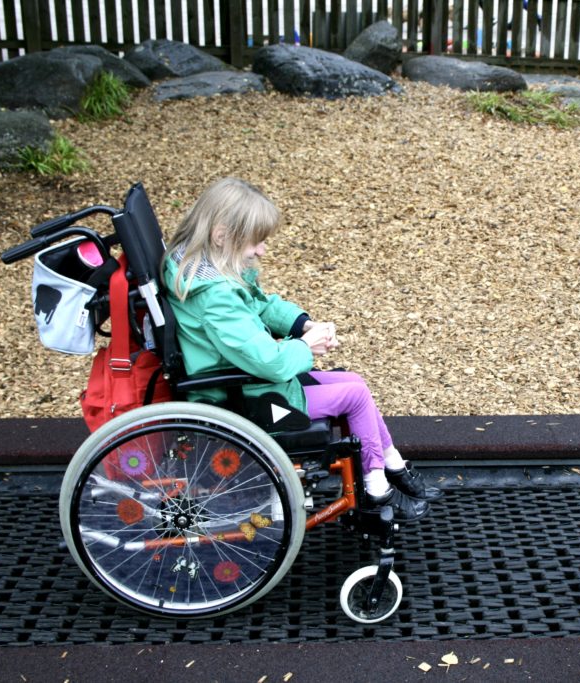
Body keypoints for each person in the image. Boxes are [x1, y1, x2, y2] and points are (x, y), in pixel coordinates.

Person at [162, 177, 442, 522]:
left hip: (246, 383)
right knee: (354, 395)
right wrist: (304, 346)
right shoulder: (216, 297)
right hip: (244, 399)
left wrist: (302, 326)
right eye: (256, 242)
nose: (262, 250)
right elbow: (269, 362)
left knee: (353, 380)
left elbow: (260, 306)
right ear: (222, 235)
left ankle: (391, 467)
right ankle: (376, 490)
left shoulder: (206, 271)